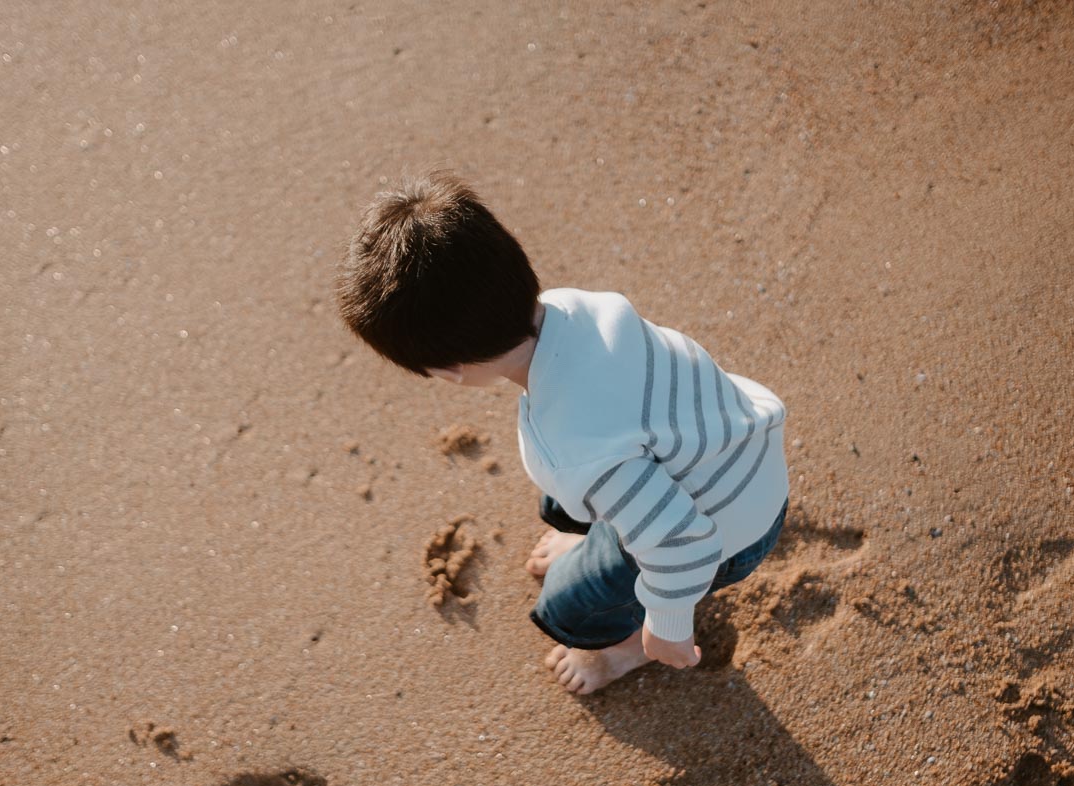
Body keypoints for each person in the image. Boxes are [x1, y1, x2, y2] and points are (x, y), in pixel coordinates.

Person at [336, 171, 789, 694]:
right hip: (732, 448)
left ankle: (622, 651)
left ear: (447, 371)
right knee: (581, 495)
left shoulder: (577, 445)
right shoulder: (582, 309)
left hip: (723, 532)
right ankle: (600, 528)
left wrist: (667, 627)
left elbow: (684, 544)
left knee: (573, 600)